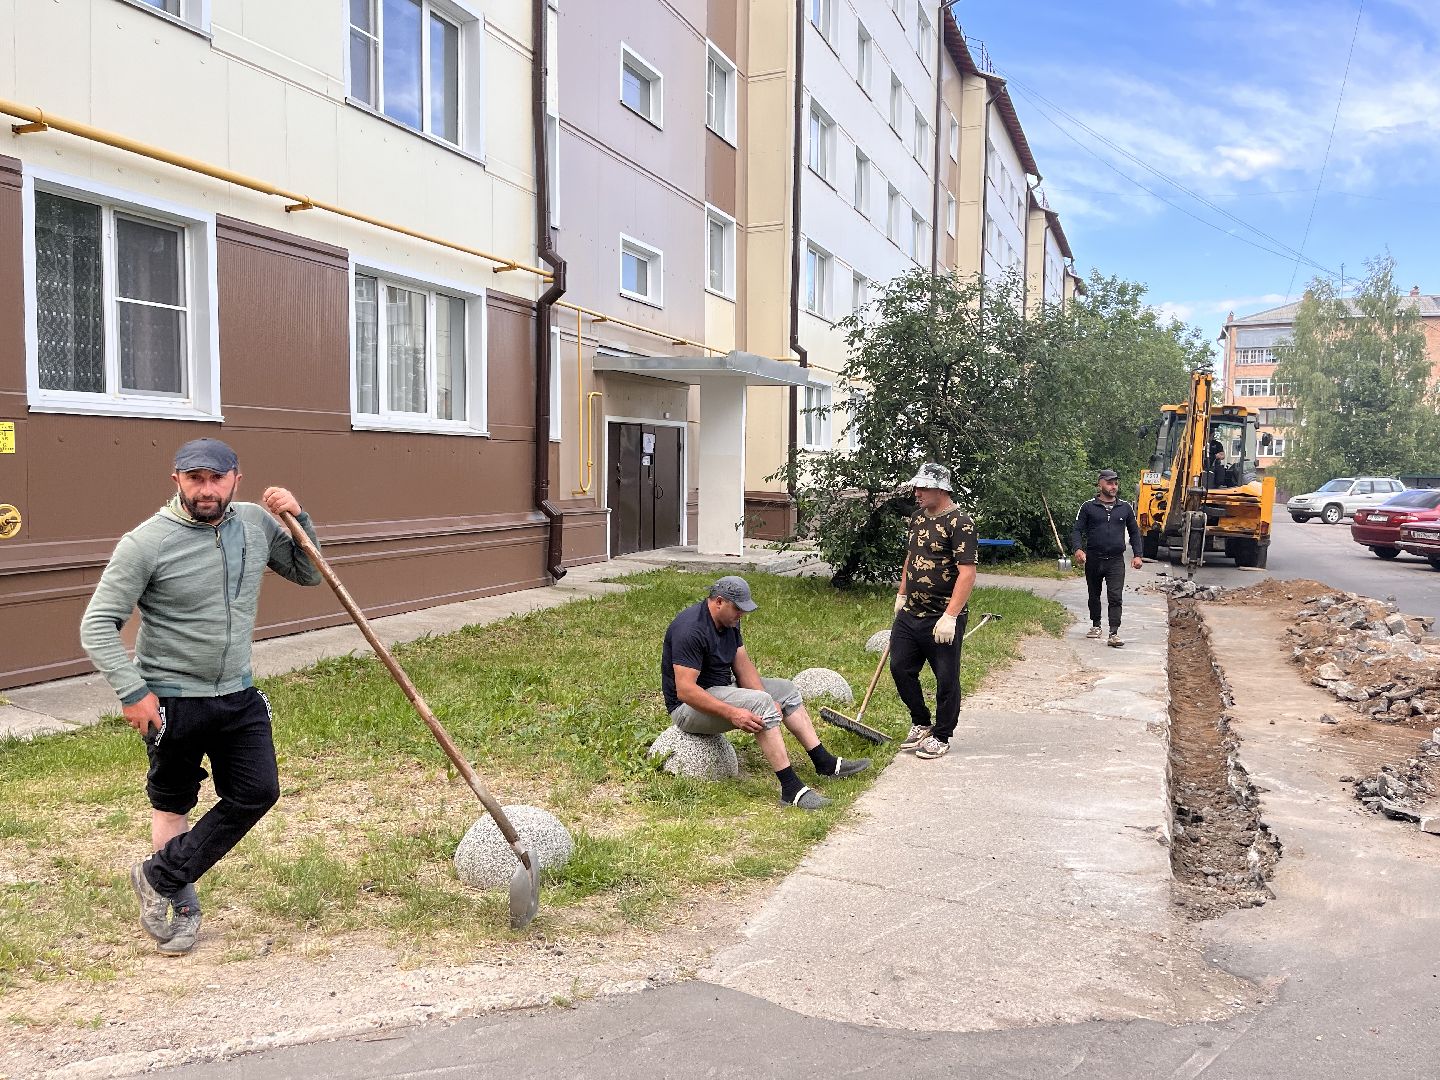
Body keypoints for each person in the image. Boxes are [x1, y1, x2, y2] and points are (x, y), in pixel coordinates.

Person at [80, 438, 323, 955]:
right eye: (195, 478)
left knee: (257, 792)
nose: (206, 489)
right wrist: (133, 692)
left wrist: (299, 518)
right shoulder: (145, 543)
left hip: (237, 691)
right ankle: (183, 905)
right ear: (177, 481)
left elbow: (309, 574)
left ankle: (158, 876)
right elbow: (98, 623)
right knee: (173, 801)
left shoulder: (255, 523)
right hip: (171, 698)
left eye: (216, 478)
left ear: (236, 478)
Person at [661, 576, 870, 809]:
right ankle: (791, 789)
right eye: (738, 609)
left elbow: (743, 665)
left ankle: (825, 763)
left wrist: (770, 698)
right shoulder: (690, 629)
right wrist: (733, 713)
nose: (742, 614)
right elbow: (686, 691)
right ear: (719, 601)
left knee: (786, 690)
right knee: (760, 703)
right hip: (688, 710)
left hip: (722, 689)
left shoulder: (730, 621)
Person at [891, 463, 978, 761]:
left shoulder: (960, 523)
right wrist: (902, 593)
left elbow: (967, 573)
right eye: (916, 487)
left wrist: (951, 616)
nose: (917, 493)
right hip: (911, 612)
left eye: (923, 488)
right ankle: (921, 722)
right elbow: (911, 556)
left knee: (945, 678)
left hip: (941, 615)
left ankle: (941, 735)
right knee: (900, 667)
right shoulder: (917, 518)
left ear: (941, 489)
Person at [1070, 468, 1144, 648]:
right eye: (1110, 483)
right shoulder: (1088, 507)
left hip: (1115, 560)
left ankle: (1114, 633)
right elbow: (1077, 530)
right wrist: (1078, 549)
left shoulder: (1125, 508)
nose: (1113, 486)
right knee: (1094, 595)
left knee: (1115, 596)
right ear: (1100, 484)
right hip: (1094, 559)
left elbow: (1134, 532)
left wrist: (1138, 555)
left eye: (1116, 483)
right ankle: (1096, 625)